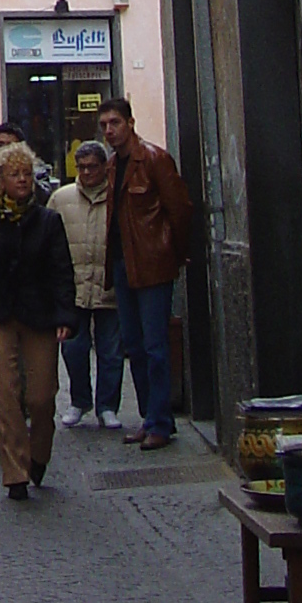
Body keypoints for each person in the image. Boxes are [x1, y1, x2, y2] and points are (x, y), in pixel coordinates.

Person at [0, 140, 76, 501]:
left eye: (26, 174)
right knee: (4, 395)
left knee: (41, 396)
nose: (22, 180)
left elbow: (62, 272)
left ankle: (39, 453)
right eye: (14, 174)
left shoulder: (49, 221)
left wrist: (66, 315)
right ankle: (15, 473)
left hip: (38, 315)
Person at [97, 98, 192, 449]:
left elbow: (179, 209)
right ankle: (149, 416)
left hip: (152, 263)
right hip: (123, 263)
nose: (109, 130)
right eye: (104, 124)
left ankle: (161, 423)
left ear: (130, 123)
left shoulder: (153, 159)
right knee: (134, 346)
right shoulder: (111, 166)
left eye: (115, 123)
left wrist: (176, 254)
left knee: (155, 346)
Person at [49, 138, 124, 429]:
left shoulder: (118, 197)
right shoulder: (61, 198)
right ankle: (80, 401)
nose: (87, 172)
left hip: (109, 286)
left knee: (110, 351)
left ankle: (108, 406)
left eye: (93, 167)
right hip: (74, 288)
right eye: (81, 167)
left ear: (105, 167)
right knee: (73, 349)